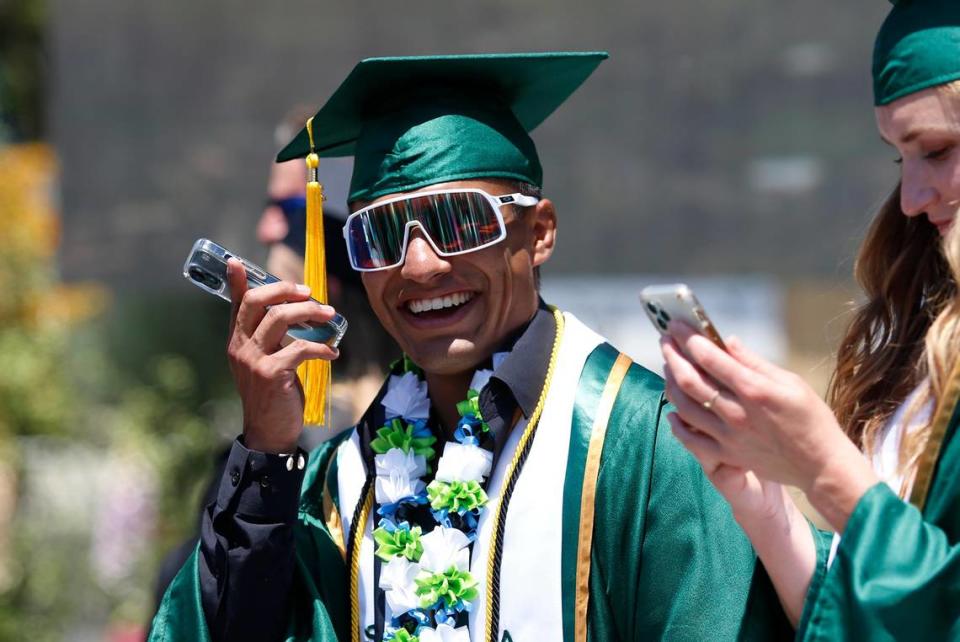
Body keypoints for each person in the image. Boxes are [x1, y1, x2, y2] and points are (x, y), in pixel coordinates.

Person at [149, 52, 790, 642]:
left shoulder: (647, 446)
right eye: (381, 235)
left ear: (538, 232)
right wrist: (265, 449)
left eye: (460, 222)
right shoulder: (339, 483)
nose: (420, 265)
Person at [660, 1, 960, 638]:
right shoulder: (927, 344)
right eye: (897, 158)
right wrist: (765, 506)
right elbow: (876, 616)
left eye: (936, 149)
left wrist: (825, 470)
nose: (910, 200)